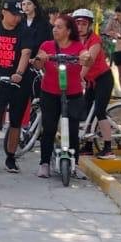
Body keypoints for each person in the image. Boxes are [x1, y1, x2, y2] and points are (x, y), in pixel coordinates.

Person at [0, 0, 36, 173]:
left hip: (19, 81)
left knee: (16, 121)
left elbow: (26, 53)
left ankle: (11, 157)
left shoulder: (25, 31)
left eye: (19, 15)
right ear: (4, 12)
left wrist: (19, 73)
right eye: (14, 14)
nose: (17, 18)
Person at [33, 15, 89, 177]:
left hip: (73, 93)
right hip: (50, 92)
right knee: (49, 128)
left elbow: (86, 58)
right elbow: (37, 63)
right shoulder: (47, 45)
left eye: (59, 27)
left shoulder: (78, 46)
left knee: (72, 129)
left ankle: (75, 164)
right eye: (54, 26)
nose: (55, 29)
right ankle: (44, 163)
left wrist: (86, 57)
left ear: (68, 30)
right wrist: (40, 59)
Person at [72, 9, 117, 159]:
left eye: (84, 24)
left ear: (90, 25)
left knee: (99, 111)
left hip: (103, 79)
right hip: (90, 81)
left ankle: (108, 148)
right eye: (77, 23)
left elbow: (87, 62)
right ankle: (88, 146)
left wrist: (78, 78)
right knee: (87, 112)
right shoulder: (76, 40)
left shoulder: (95, 40)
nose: (80, 27)